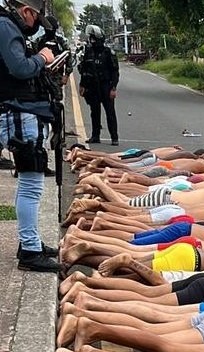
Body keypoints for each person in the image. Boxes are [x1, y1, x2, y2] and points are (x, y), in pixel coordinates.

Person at [0, 0, 62, 272]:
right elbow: (20, 68)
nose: (36, 22)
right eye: (36, 16)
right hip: (18, 112)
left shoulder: (8, 27)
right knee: (31, 184)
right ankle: (29, 251)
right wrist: (42, 58)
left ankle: (31, 242)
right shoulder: (5, 26)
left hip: (22, 112)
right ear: (27, 11)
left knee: (30, 183)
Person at [36, 14, 72, 176]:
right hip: (41, 80)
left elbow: (69, 57)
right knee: (44, 108)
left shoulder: (60, 41)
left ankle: (58, 134)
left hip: (56, 80)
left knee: (57, 107)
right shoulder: (40, 41)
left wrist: (66, 74)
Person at [78, 24, 120, 146]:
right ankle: (95, 136)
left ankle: (114, 137)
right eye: (90, 38)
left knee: (110, 113)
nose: (91, 41)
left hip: (106, 86)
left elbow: (115, 72)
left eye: (93, 38)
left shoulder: (108, 53)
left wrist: (113, 88)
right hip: (92, 87)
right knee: (94, 112)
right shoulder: (89, 52)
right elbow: (85, 71)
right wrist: (82, 85)